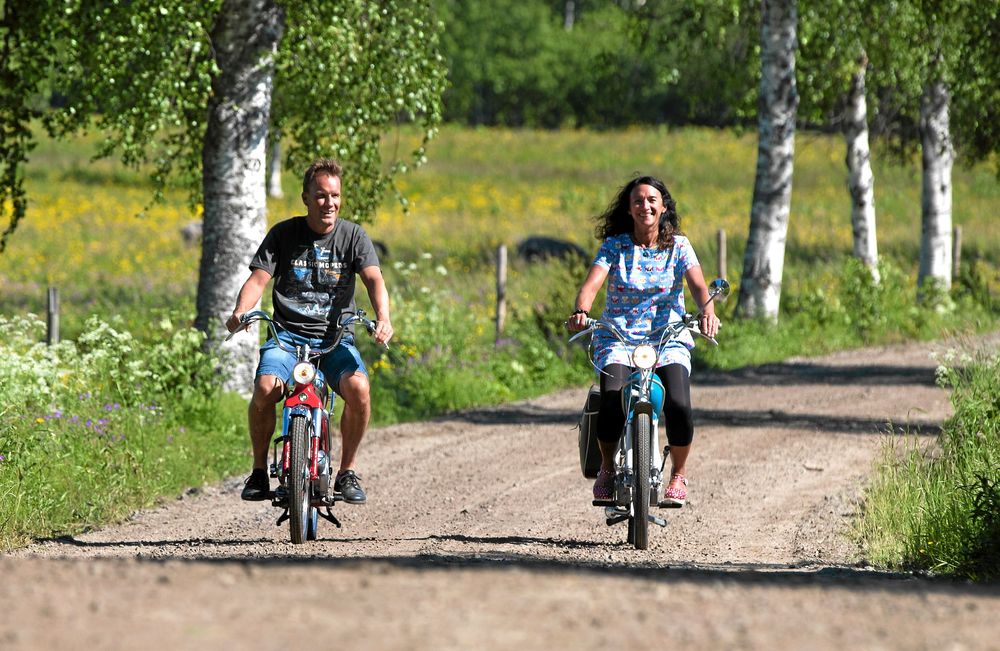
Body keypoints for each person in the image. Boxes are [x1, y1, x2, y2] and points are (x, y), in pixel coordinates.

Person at [226, 158, 393, 504]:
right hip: (287, 337)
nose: (328, 203)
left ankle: (346, 471)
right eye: (320, 195)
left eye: (334, 195)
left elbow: (374, 278)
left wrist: (383, 317)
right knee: (264, 388)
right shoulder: (284, 234)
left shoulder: (353, 236)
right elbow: (258, 279)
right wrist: (241, 312)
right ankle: (259, 471)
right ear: (305, 197)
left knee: (359, 388)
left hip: (334, 340)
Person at [567, 175, 720, 507]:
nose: (645, 206)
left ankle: (678, 474)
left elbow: (698, 286)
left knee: (679, 404)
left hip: (668, 338)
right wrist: (581, 310)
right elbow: (592, 285)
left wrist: (707, 311)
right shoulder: (615, 247)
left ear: (663, 206)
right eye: (638, 200)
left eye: (652, 200)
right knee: (610, 401)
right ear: (629, 208)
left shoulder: (679, 246)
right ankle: (607, 468)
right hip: (618, 335)